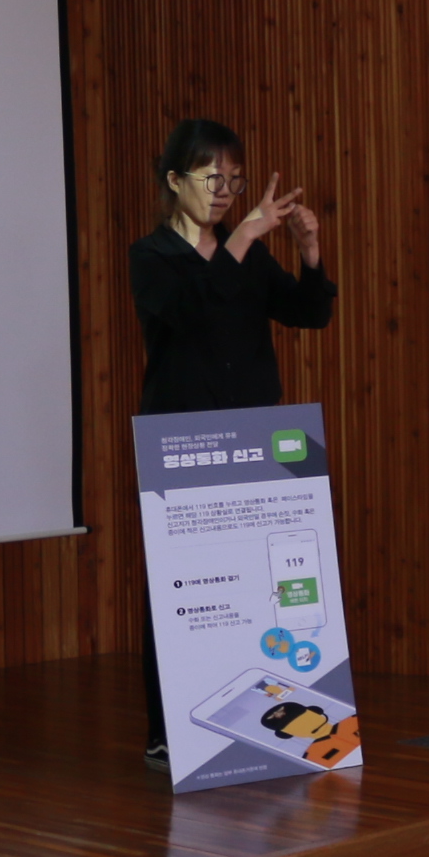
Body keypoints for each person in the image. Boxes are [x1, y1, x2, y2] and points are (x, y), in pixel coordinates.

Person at [130, 119, 333, 761]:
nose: (224, 191)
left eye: (234, 180)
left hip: (254, 439)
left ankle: (261, 715)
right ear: (174, 180)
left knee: (255, 585)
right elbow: (192, 309)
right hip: (183, 439)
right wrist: (244, 234)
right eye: (212, 177)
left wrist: (310, 253)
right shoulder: (152, 257)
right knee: (180, 589)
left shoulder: (247, 254)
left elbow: (309, 313)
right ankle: (169, 731)